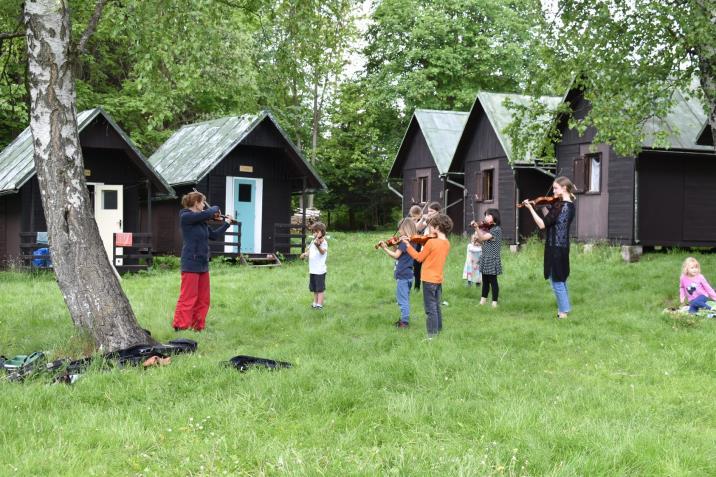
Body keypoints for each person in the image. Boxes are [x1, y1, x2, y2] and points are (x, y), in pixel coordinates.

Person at [173, 191, 232, 331]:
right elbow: (211, 211)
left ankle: (197, 326)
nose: (204, 205)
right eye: (202, 202)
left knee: (203, 299)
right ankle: (180, 326)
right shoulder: (186, 216)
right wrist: (214, 208)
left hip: (203, 264)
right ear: (196, 203)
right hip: (190, 263)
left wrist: (226, 223)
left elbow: (215, 236)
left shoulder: (201, 221)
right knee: (188, 297)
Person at [522, 176, 576, 319]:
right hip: (563, 247)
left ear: (564, 188)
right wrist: (544, 208)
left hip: (555, 247)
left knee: (556, 280)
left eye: (556, 188)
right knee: (561, 278)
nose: (553, 191)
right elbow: (551, 221)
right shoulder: (570, 205)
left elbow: (542, 225)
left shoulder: (560, 206)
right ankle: (562, 309)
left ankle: (563, 312)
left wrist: (530, 209)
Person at [402, 213, 453, 338]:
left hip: (428, 279)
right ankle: (438, 329)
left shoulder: (431, 243)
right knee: (436, 305)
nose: (429, 229)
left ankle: (432, 335)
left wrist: (408, 246)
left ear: (436, 227)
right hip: (438, 279)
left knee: (430, 309)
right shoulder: (446, 243)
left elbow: (419, 258)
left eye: (430, 227)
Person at [379, 218, 418, 328]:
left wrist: (384, 248)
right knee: (405, 298)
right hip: (410, 274)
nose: (399, 231)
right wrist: (395, 245)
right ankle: (403, 319)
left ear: (405, 229)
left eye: (400, 229)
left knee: (402, 300)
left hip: (402, 274)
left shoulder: (404, 242)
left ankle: (404, 322)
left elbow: (396, 256)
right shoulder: (412, 241)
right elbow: (401, 254)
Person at [473, 209, 502, 307]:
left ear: (494, 217)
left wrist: (477, 228)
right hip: (485, 257)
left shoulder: (496, 229)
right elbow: (485, 242)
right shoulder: (490, 229)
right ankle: (483, 301)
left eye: (488, 215)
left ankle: (494, 302)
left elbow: (483, 238)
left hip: (492, 258)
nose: (485, 217)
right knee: (485, 281)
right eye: (485, 215)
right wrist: (477, 239)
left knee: (493, 281)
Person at [411, 202, 441, 291]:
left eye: (431, 211)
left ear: (437, 211)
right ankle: (417, 286)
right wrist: (422, 219)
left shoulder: (440, 220)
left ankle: (434, 288)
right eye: (428, 211)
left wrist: (430, 221)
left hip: (434, 246)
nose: (429, 213)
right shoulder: (427, 219)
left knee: (431, 268)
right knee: (416, 265)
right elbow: (416, 228)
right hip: (423, 244)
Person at [300, 222, 328, 309]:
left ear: (322, 232)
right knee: (314, 288)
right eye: (313, 232)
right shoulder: (313, 242)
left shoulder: (323, 242)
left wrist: (318, 246)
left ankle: (319, 305)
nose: (314, 233)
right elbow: (310, 252)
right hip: (312, 269)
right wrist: (305, 254)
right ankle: (315, 302)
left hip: (319, 270)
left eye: (316, 231)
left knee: (320, 289)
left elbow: (323, 252)